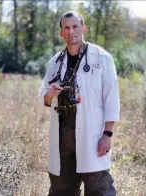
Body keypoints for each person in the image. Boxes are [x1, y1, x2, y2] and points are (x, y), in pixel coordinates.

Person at [39, 11, 120, 196]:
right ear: (61, 33)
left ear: (83, 29)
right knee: (61, 189)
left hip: (91, 135)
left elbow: (112, 98)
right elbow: (44, 98)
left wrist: (107, 134)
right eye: (66, 28)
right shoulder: (54, 63)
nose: (71, 31)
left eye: (75, 26)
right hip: (63, 137)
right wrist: (50, 95)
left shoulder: (101, 58)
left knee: (99, 188)